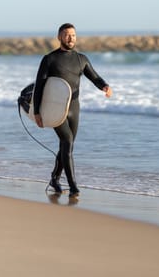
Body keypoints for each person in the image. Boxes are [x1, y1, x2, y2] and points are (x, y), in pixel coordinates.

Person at [33, 23, 112, 197]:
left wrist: (105, 86)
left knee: (66, 146)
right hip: (54, 107)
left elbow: (95, 77)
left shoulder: (81, 59)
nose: (71, 38)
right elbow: (39, 86)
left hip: (74, 107)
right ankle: (73, 186)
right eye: (67, 35)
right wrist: (38, 111)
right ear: (59, 37)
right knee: (67, 140)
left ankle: (55, 178)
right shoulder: (49, 59)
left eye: (73, 35)